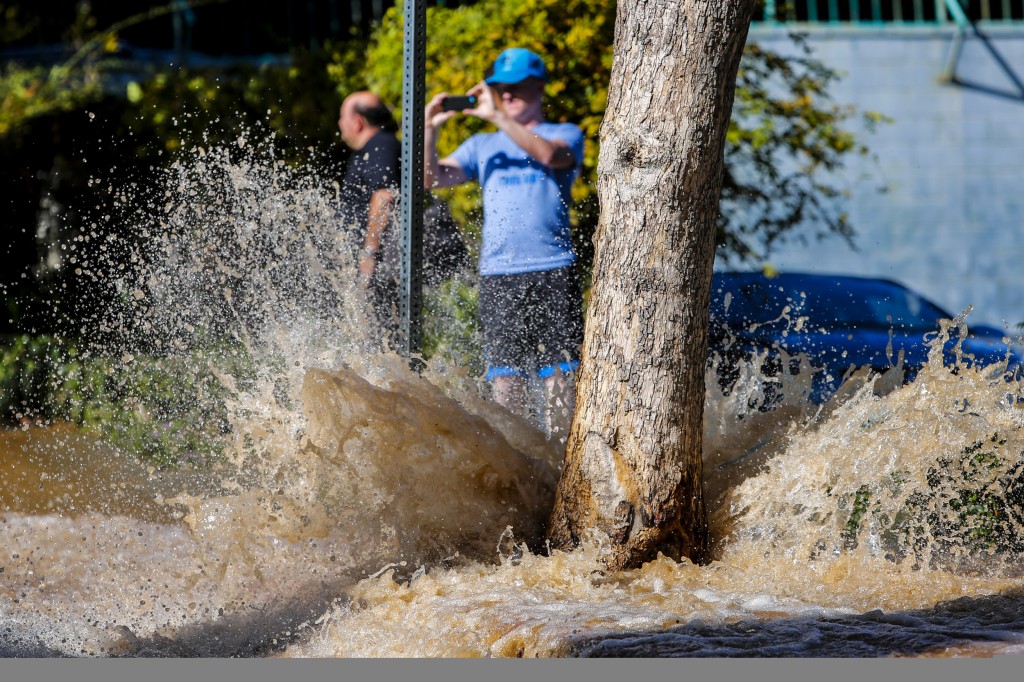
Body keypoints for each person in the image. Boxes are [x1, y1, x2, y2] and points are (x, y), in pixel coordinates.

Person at [423, 47, 585, 439]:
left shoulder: (564, 134)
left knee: (558, 380)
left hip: (552, 268)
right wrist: (429, 129)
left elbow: (547, 154)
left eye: (518, 88)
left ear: (539, 88)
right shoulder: (482, 145)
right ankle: (517, 463)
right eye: (501, 89)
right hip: (499, 275)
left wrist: (497, 116)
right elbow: (431, 178)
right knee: (505, 382)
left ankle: (562, 463)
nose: (508, 95)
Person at [337, 91, 402, 337]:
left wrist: (369, 253)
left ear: (357, 122)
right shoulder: (378, 146)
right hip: (376, 264)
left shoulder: (381, 145)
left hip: (379, 265)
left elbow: (385, 196)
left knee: (381, 341)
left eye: (342, 117)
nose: (340, 124)